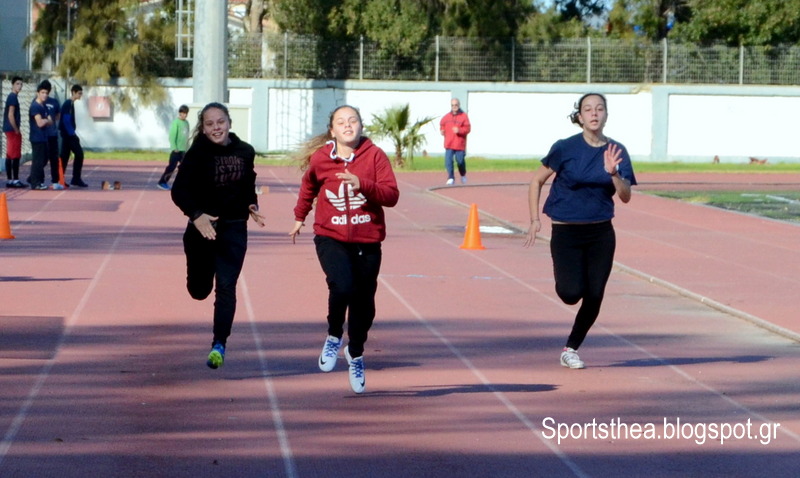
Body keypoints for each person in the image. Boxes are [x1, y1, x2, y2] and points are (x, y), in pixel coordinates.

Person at [289, 105, 399, 394]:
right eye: (341, 122)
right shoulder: (321, 158)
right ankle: (334, 335)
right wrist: (300, 216)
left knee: (365, 306)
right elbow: (308, 186)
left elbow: (391, 195)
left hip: (367, 240)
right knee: (342, 286)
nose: (348, 125)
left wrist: (363, 184)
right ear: (332, 130)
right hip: (331, 236)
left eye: (353, 120)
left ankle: (355, 353)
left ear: (361, 126)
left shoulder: (375, 156)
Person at [523, 93, 637, 370]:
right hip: (566, 231)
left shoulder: (617, 151)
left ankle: (570, 348)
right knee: (571, 293)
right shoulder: (565, 148)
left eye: (599, 109)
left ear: (606, 115)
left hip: (601, 233)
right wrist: (534, 219)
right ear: (580, 116)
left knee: (595, 293)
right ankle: (574, 285)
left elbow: (625, 196)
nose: (594, 113)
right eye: (588, 109)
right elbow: (536, 181)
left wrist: (613, 173)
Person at [170, 102, 266, 369]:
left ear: (229, 123)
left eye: (220, 122)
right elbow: (179, 191)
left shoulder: (245, 151)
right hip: (202, 229)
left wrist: (252, 204)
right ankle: (199, 278)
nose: (216, 128)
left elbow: (248, 182)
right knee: (199, 291)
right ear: (203, 128)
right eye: (210, 124)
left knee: (226, 286)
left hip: (234, 227)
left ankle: (219, 344)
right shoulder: (197, 153)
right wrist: (196, 215)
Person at [60, 84, 87, 188]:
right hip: (68, 135)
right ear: (74, 92)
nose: (80, 95)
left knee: (65, 156)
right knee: (79, 154)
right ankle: (75, 178)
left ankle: (60, 178)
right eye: (79, 93)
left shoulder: (70, 104)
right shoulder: (68, 104)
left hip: (67, 134)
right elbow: (66, 120)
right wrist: (72, 134)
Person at [157, 104, 190, 190]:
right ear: (180, 113)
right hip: (176, 151)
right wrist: (174, 147)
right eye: (183, 113)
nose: (184, 115)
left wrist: (188, 148)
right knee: (171, 167)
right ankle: (162, 182)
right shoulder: (176, 123)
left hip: (184, 150)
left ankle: (183, 184)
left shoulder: (186, 123)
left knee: (186, 168)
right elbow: (172, 136)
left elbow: (187, 137)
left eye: (186, 113)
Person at [28, 81, 54, 190]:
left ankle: (33, 177)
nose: (45, 95)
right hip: (37, 137)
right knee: (38, 160)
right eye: (42, 93)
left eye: (46, 93)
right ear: (38, 93)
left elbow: (51, 121)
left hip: (43, 137)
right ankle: (35, 182)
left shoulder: (44, 106)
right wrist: (46, 120)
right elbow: (39, 123)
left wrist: (46, 121)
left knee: (44, 159)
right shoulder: (35, 106)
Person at [439, 97, 471, 185]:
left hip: (459, 144)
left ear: (459, 105)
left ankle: (463, 174)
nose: (454, 107)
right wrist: (442, 130)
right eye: (452, 105)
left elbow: (468, 128)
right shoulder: (446, 117)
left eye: (456, 105)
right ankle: (451, 177)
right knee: (448, 161)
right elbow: (442, 124)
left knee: (460, 161)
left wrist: (459, 130)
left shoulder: (464, 116)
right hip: (449, 143)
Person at [40, 80, 64, 190]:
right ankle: (49, 180)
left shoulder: (53, 102)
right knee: (46, 158)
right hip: (45, 134)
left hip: (50, 134)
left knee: (52, 158)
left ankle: (51, 180)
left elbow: (58, 115)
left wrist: (52, 120)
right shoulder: (40, 102)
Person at [3, 77, 26, 188]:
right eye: (17, 84)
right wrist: (16, 129)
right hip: (12, 130)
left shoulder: (13, 97)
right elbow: (10, 114)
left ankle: (10, 179)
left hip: (10, 129)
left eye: (21, 84)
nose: (19, 86)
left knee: (10, 154)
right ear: (12, 85)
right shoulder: (12, 97)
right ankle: (14, 180)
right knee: (14, 155)